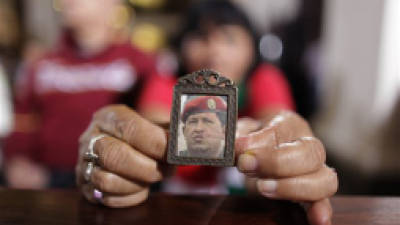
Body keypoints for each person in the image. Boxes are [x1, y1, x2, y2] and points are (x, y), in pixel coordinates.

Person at [75, 2, 338, 225]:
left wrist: (283, 148)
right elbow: (153, 123)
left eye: (229, 39)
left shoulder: (264, 79)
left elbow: (276, 119)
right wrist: (126, 152)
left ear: (252, 46)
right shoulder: (167, 80)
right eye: (202, 37)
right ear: (182, 44)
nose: (215, 52)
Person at [3, 0, 159, 189]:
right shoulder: (42, 63)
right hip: (48, 182)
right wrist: (17, 160)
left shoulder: (140, 62)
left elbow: (153, 125)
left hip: (113, 181)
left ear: (112, 4)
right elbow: (23, 118)